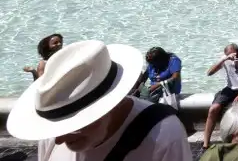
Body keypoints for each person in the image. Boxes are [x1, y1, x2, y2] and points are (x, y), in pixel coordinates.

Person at [8, 40, 191, 161]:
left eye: (74, 126)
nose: (59, 139)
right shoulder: (53, 132)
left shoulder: (165, 136)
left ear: (113, 104)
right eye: (58, 126)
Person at [202, 43, 238, 150]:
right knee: (213, 109)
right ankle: (205, 143)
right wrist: (224, 59)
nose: (233, 57)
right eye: (230, 55)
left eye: (234, 54)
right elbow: (209, 73)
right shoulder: (225, 59)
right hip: (229, 89)